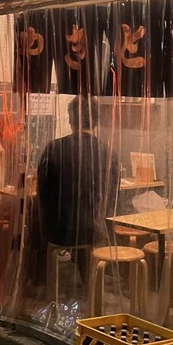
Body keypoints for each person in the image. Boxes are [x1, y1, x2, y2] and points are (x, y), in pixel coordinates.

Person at [37, 95, 119, 279]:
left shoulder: (53, 149)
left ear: (70, 120)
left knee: (34, 219)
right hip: (94, 231)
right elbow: (113, 198)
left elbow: (42, 194)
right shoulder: (108, 153)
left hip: (59, 232)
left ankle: (38, 282)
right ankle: (89, 282)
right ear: (96, 121)